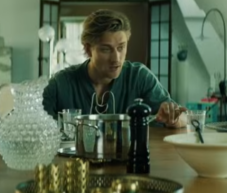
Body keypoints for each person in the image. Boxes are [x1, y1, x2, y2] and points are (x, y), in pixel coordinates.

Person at [42, 9, 186, 127]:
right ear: (88, 49)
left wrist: (172, 118)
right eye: (106, 49)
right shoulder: (61, 83)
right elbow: (36, 123)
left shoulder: (139, 76)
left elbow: (183, 118)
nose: (116, 59)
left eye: (121, 48)